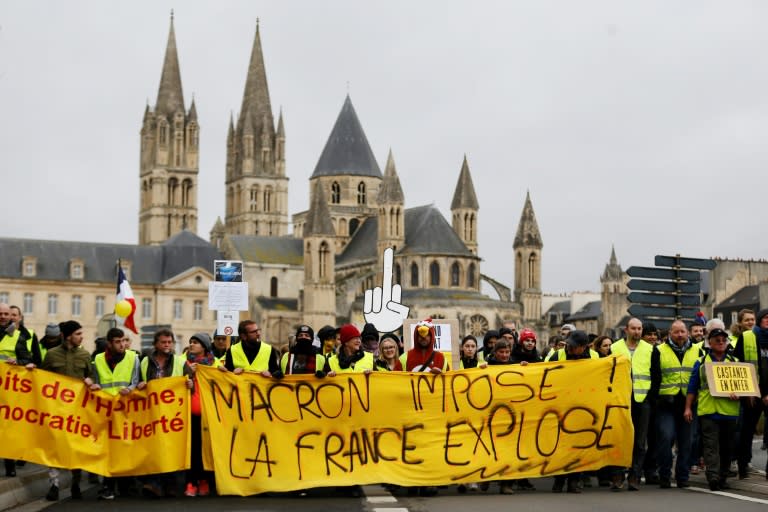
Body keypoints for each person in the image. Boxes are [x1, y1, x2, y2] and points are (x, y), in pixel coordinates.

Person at [40, 320, 94, 501]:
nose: (81, 337)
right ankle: (53, 485)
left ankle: (76, 482)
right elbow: (41, 379)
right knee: (53, 448)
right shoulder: (51, 355)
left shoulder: (85, 355)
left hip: (77, 412)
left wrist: (91, 382)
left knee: (76, 448)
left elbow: (92, 376)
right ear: (67, 335)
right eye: (78, 334)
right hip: (55, 410)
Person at [684, 328, 740, 491]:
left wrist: (740, 395)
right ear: (710, 342)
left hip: (729, 412)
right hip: (708, 411)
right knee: (710, 446)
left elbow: (745, 388)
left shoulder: (735, 362)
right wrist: (688, 408)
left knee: (727, 447)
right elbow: (692, 388)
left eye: (724, 339)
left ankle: (722, 477)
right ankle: (713, 478)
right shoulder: (701, 362)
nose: (721, 342)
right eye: (717, 339)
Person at [650, 320, 703, 489]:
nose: (680, 335)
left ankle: (682, 476)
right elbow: (654, 377)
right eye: (676, 332)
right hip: (666, 404)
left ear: (687, 333)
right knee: (666, 437)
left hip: (689, 403)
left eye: (682, 332)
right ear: (669, 334)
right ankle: (664, 474)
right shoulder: (658, 351)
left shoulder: (698, 350)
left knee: (686, 441)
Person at [140, 328, 192, 498]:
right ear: (156, 344)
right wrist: (141, 385)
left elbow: (192, 383)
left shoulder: (179, 362)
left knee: (171, 448)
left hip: (173, 415)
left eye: (170, 342)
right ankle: (153, 484)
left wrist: (190, 385)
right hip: (152, 413)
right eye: (163, 342)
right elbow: (140, 382)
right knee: (154, 448)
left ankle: (171, 485)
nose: (167, 345)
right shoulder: (145, 362)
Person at [90, 327, 141, 500]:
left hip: (126, 412)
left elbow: (137, 381)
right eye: (118, 342)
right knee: (108, 452)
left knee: (125, 449)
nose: (122, 345)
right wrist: (93, 385)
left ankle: (126, 486)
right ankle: (108, 486)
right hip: (105, 412)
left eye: (124, 341)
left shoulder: (133, 358)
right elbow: (95, 381)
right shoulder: (97, 359)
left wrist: (130, 388)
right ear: (109, 343)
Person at [547, 330, 595, 493]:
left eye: (574, 346)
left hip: (583, 409)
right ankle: (559, 480)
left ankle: (575, 480)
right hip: (561, 407)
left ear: (583, 348)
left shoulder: (595, 358)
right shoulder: (557, 355)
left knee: (578, 445)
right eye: (569, 344)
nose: (569, 348)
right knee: (561, 446)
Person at [610, 317, 653, 491]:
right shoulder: (614, 348)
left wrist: (651, 398)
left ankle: (635, 475)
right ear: (626, 330)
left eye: (639, 328)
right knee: (620, 438)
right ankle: (618, 474)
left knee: (640, 441)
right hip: (620, 401)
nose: (637, 331)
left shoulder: (650, 349)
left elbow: (655, 374)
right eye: (633, 328)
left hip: (642, 401)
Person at [731, 308, 768, 479]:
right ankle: (743, 465)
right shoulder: (747, 337)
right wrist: (749, 390)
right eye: (765, 318)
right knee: (747, 430)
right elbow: (737, 365)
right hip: (752, 393)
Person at [183, 333, 216, 498]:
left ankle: (204, 480)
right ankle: (191, 482)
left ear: (204, 346)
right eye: (190, 342)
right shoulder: (184, 362)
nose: (191, 344)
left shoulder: (215, 364)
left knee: (206, 450)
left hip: (209, 416)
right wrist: (187, 375)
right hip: (189, 415)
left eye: (195, 342)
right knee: (192, 450)